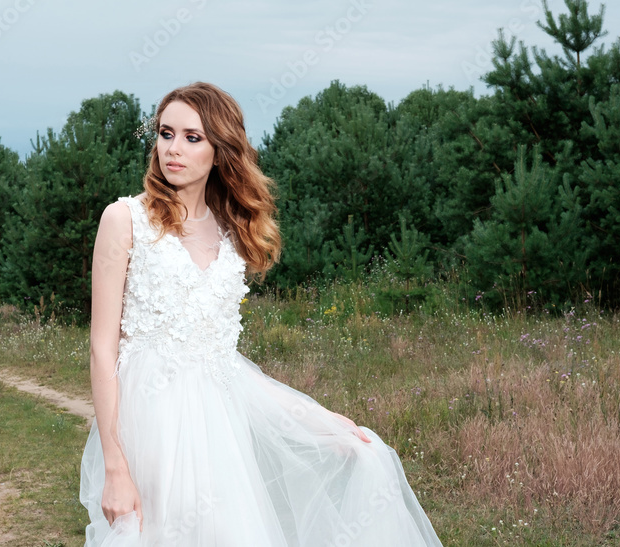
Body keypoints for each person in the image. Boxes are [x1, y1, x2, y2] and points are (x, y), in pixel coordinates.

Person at [79, 82, 444, 546]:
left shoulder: (232, 236)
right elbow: (102, 347)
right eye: (166, 133)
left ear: (220, 149)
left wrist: (321, 422)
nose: (173, 149)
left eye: (193, 137)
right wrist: (116, 465)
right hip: (146, 429)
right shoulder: (124, 219)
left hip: (219, 439)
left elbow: (225, 364)